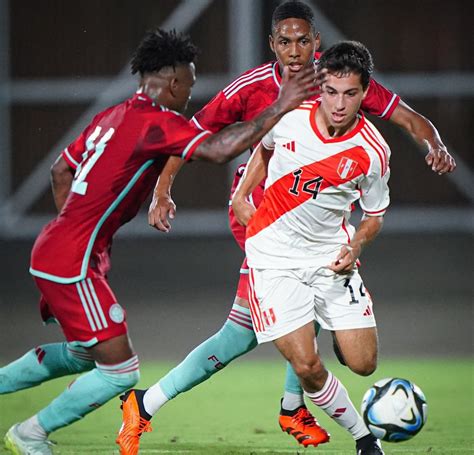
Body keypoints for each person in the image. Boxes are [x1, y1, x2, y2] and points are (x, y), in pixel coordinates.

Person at [119, 0, 456, 452]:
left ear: (316, 43)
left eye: (303, 41)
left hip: (319, 227)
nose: (295, 51)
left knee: (270, 329)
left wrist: (434, 144)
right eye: (285, 42)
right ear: (272, 45)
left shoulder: (338, 80)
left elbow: (409, 118)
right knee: (244, 332)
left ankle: (289, 400)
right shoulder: (254, 88)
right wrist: (163, 189)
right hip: (263, 219)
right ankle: (168, 404)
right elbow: (193, 135)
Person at [0, 28, 317, 455]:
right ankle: (30, 433)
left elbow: (61, 171)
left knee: (81, 354)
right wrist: (280, 105)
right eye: (188, 83)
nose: (190, 93)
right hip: (71, 259)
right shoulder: (156, 123)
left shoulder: (111, 116)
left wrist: (79, 235)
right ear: (172, 83)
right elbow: (221, 150)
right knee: (121, 372)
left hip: (58, 250)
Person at [232, 39, 389, 455]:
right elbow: (263, 151)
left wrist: (356, 246)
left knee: (363, 364)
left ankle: (338, 327)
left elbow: (374, 214)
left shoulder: (373, 153)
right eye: (332, 91)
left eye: (350, 93)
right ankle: (364, 440)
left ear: (364, 93)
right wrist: (241, 194)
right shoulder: (288, 118)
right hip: (273, 256)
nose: (339, 104)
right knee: (305, 365)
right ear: (320, 86)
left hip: (329, 257)